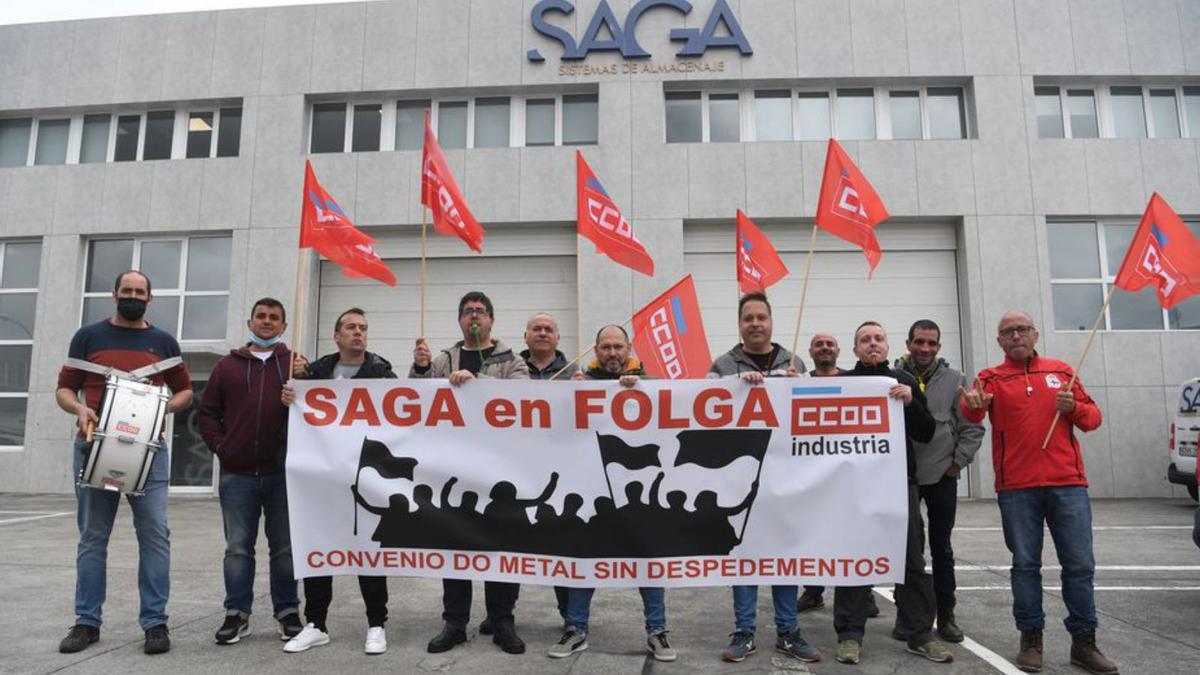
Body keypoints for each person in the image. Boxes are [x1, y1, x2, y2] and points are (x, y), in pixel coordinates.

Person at [960, 311, 1117, 675]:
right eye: (1007, 332)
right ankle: (1031, 639)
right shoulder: (991, 378)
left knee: (1079, 567)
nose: (1016, 336)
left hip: (1068, 486)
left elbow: (1092, 419)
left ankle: (1084, 642)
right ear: (999, 341)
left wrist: (1074, 407)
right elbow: (971, 414)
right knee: (1025, 566)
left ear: (1035, 334)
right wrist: (973, 405)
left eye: (1022, 330)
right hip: (1017, 489)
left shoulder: (1063, 372)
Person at [55, 270, 193, 655]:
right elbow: (64, 388)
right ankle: (86, 623)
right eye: (126, 290)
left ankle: (155, 623)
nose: (132, 296)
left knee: (154, 537)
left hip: (149, 452)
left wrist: (162, 408)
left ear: (150, 298)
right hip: (93, 448)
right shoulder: (88, 337)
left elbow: (184, 391)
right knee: (93, 539)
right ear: (114, 294)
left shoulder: (163, 342)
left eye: (140, 291)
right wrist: (79, 408)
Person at [412, 291, 531, 655]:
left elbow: (525, 400)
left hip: (500, 471)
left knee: (502, 545)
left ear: (492, 319)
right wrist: (420, 368)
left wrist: (477, 383)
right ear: (460, 320)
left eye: (480, 311)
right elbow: (413, 401)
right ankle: (455, 622)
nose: (474, 316)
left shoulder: (512, 360)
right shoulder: (444, 359)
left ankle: (502, 620)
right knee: (455, 545)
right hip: (454, 471)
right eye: (468, 311)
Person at [552, 324, 675, 662]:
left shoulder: (648, 381)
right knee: (584, 556)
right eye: (605, 347)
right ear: (595, 350)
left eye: (618, 346)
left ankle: (657, 632)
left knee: (647, 560)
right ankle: (575, 629)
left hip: (638, 495)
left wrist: (643, 390)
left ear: (629, 348)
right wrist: (569, 395)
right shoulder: (579, 382)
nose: (612, 353)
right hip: (593, 491)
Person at [707, 293, 819, 664]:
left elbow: (813, 417)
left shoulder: (794, 362)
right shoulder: (723, 364)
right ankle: (744, 631)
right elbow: (702, 410)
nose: (755, 323)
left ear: (771, 321)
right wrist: (736, 385)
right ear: (739, 324)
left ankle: (788, 632)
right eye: (748, 318)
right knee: (745, 555)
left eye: (761, 317)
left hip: (785, 477)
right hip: (739, 477)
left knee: (783, 555)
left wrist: (796, 387)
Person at [833, 321, 951, 666]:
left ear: (887, 346)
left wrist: (912, 402)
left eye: (878, 339)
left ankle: (919, 634)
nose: (872, 344)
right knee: (854, 560)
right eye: (865, 340)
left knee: (912, 561)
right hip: (856, 488)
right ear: (854, 349)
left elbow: (927, 432)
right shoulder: (842, 382)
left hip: (901, 485)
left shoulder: (904, 381)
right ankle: (850, 635)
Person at [281, 308, 396, 656]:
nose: (357, 333)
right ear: (336, 335)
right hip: (321, 478)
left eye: (363, 327)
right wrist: (291, 397)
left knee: (368, 553)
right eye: (350, 327)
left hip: (363, 477)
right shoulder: (313, 372)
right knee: (319, 548)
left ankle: (376, 624)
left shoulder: (382, 373)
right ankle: (316, 624)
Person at [197, 298, 302, 646]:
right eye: (262, 316)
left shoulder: (295, 365)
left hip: (282, 473)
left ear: (284, 327)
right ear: (250, 322)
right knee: (238, 548)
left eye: (275, 318)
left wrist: (300, 393)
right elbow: (207, 413)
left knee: (285, 548)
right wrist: (222, 447)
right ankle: (237, 613)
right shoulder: (227, 366)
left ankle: (287, 612)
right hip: (237, 474)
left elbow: (320, 412)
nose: (268, 322)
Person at [892, 319, 984, 644]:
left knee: (941, 548)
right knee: (907, 549)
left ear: (939, 347)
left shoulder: (956, 380)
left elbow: (972, 426)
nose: (925, 348)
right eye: (919, 342)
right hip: (904, 477)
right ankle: (908, 616)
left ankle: (946, 615)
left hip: (942, 475)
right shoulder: (891, 378)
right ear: (908, 343)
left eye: (932, 343)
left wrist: (958, 463)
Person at [518, 311, 574, 633]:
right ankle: (502, 614)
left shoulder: (575, 373)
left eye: (548, 329)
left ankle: (569, 612)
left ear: (557, 337)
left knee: (560, 544)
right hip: (517, 469)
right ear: (525, 336)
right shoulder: (509, 369)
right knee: (510, 542)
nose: (542, 333)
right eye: (535, 328)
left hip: (560, 474)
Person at [796, 332, 847, 615]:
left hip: (845, 473)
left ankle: (862, 593)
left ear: (838, 350)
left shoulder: (856, 381)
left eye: (829, 343)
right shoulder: (800, 382)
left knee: (849, 534)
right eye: (819, 344)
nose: (825, 348)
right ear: (810, 352)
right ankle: (814, 591)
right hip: (809, 473)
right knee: (812, 534)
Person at [521, 312, 578, 380]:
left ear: (558, 338)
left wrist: (581, 385)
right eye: (537, 329)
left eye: (548, 330)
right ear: (525, 337)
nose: (543, 334)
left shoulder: (573, 371)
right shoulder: (513, 369)